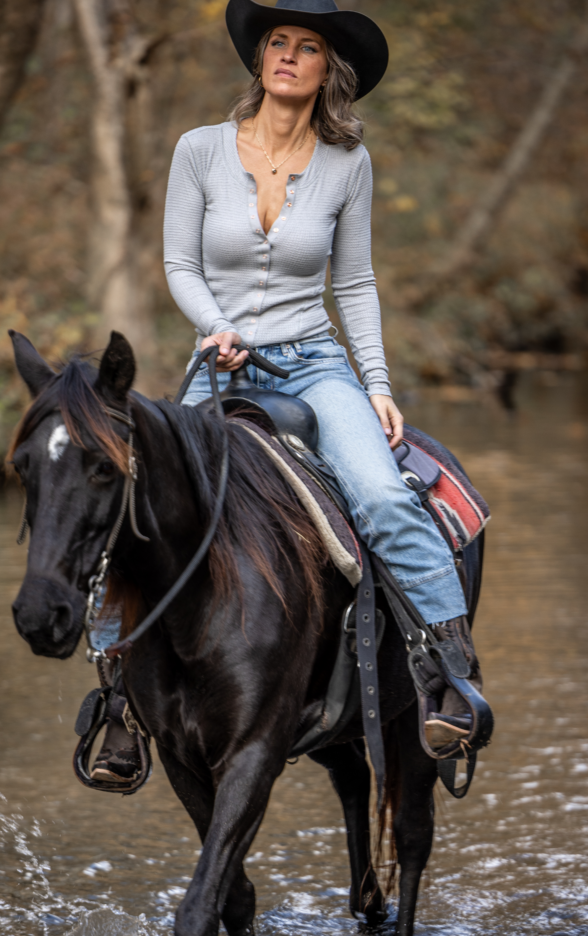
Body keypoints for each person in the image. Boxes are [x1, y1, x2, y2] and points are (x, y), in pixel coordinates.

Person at [91, 0, 483, 783]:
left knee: (381, 494)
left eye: (305, 48)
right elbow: (180, 266)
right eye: (277, 42)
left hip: (313, 362)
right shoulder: (198, 150)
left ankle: (450, 678)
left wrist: (375, 383)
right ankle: (118, 705)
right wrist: (215, 328)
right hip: (218, 364)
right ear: (259, 58)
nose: (287, 56)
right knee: (135, 503)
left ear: (326, 71)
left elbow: (358, 283)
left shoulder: (348, 164)